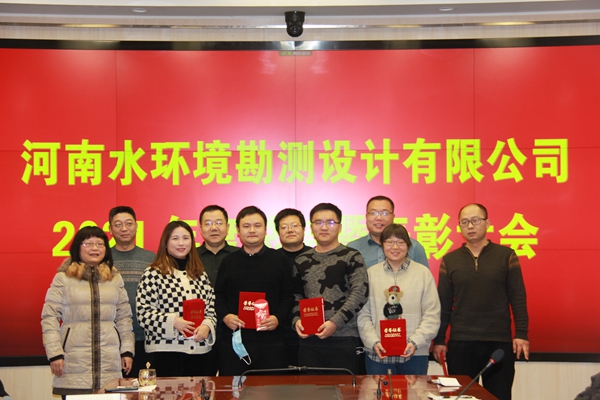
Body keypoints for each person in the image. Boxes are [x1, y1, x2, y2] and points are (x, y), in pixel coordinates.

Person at [432, 203, 529, 400]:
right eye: (464, 222)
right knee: (462, 398)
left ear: (488, 223)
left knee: (499, 397)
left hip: (498, 342)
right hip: (461, 342)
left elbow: (517, 296)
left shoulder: (506, 256)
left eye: (476, 220)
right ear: (459, 227)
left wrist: (521, 333)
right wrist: (440, 339)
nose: (470, 226)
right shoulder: (450, 260)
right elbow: (443, 303)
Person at [41, 226, 134, 398]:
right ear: (77, 247)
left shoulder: (114, 278)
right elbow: (49, 317)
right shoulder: (64, 278)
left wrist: (127, 350)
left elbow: (124, 317)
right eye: (88, 244)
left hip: (109, 365)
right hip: (72, 364)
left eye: (100, 244)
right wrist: (55, 353)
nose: (94, 248)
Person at [215, 206, 294, 376]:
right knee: (234, 389)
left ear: (265, 230)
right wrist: (226, 316)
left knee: (272, 388)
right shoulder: (228, 261)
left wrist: (278, 318)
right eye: (246, 226)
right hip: (235, 342)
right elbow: (219, 296)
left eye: (257, 226)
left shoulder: (279, 259)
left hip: (272, 342)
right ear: (238, 231)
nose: (252, 230)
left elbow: (288, 296)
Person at [293, 203, 368, 374]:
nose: (324, 227)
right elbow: (296, 295)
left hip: (344, 337)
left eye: (330, 222)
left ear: (340, 227)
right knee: (311, 387)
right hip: (309, 340)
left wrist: (335, 322)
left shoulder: (351, 256)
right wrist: (297, 320)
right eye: (318, 222)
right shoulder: (301, 260)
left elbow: (360, 293)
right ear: (311, 227)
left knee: (344, 388)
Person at [136, 221, 217, 377]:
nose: (181, 243)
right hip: (165, 353)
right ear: (165, 243)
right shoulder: (153, 273)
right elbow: (143, 313)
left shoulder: (200, 274)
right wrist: (173, 322)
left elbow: (211, 309)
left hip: (199, 352)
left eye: (186, 238)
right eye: (175, 238)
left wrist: (207, 326)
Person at [357, 224, 440, 375]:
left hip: (415, 354)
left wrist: (415, 342)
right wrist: (373, 342)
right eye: (389, 242)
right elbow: (363, 314)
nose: (395, 247)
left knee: (414, 391)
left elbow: (432, 314)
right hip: (378, 353)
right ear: (382, 245)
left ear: (408, 245)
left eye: (400, 242)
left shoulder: (423, 274)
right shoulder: (370, 274)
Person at [108, 206, 156, 377]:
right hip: (113, 338)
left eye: (129, 223)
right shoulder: (104, 259)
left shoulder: (151, 258)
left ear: (136, 226)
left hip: (146, 336)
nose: (124, 228)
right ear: (110, 229)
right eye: (118, 224)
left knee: (145, 387)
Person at [274, 208, 312, 366]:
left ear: (304, 229)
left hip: (311, 328)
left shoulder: (315, 256)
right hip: (278, 330)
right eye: (284, 227)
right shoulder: (272, 259)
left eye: (295, 226)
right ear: (278, 232)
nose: (290, 230)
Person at [348, 195, 429, 268]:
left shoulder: (413, 247)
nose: (379, 218)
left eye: (385, 213)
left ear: (393, 217)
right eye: (373, 213)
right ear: (366, 216)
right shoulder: (353, 248)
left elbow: (424, 277)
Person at [196, 204, 239, 287]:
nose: (214, 228)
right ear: (200, 229)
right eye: (208, 223)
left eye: (219, 223)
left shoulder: (239, 254)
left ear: (227, 227)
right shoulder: (191, 256)